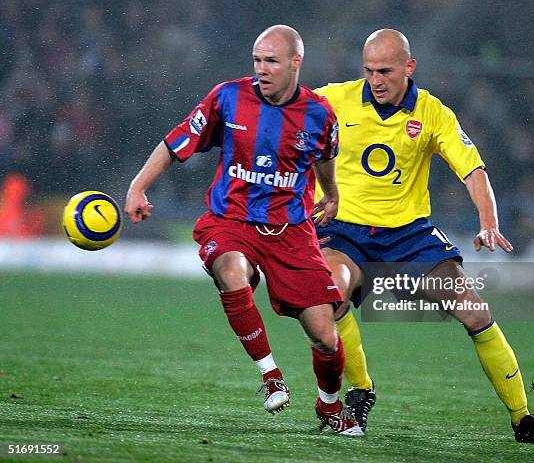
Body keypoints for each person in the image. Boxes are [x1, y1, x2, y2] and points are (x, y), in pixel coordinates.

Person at [313, 28, 534, 445]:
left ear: (409, 67)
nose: (376, 80)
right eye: (370, 71)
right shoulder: (333, 99)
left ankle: (523, 418)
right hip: (346, 233)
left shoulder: (433, 113)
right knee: (330, 292)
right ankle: (360, 391)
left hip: (410, 237)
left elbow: (472, 169)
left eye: (386, 71)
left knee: (475, 313)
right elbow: (286, 116)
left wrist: (489, 220)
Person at [125, 25, 362, 436]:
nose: (262, 69)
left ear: (295, 63)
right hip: (232, 220)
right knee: (231, 271)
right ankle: (270, 374)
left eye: (271, 61)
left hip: (292, 230)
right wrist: (138, 186)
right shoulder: (228, 97)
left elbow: (324, 156)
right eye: (257, 60)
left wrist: (333, 193)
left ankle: (329, 406)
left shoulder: (320, 113)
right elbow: (175, 143)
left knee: (325, 335)